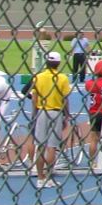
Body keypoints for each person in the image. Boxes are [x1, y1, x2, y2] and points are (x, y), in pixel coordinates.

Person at [29, 50, 71, 189]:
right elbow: (65, 98)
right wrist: (67, 114)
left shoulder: (38, 77)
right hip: (56, 112)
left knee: (40, 146)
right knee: (51, 146)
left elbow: (34, 97)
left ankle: (40, 177)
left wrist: (34, 113)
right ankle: (48, 176)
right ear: (58, 63)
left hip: (41, 111)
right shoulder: (63, 78)